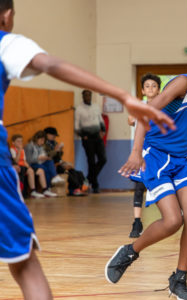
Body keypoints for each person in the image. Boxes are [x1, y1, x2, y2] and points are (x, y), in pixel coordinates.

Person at [0, 1, 174, 299]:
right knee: (24, 262)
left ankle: (92, 185)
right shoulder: (6, 42)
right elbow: (50, 64)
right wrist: (122, 95)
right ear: (6, 15)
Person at [105, 40, 187, 300]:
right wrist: (134, 152)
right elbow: (144, 113)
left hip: (182, 161)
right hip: (158, 158)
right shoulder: (183, 83)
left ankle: (179, 279)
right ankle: (130, 251)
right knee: (173, 220)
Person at [128, 73, 161, 238]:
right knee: (139, 186)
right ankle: (137, 221)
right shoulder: (140, 106)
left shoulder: (163, 105)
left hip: (159, 151)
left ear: (159, 89)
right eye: (147, 86)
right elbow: (129, 120)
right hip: (143, 150)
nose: (150, 88)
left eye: (154, 86)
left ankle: (172, 216)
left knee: (163, 183)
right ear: (142, 90)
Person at [74, 89, 107, 193]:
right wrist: (82, 135)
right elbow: (76, 125)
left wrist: (103, 130)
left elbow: (100, 119)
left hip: (97, 136)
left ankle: (88, 179)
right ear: (83, 97)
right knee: (91, 162)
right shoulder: (79, 109)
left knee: (103, 159)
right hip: (87, 138)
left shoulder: (96, 106)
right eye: (86, 95)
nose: (87, 97)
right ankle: (95, 185)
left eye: (89, 95)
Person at [24, 131, 59, 197]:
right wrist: (39, 158)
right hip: (31, 164)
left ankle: (54, 177)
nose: (42, 142)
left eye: (44, 141)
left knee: (50, 161)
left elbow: (43, 155)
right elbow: (28, 160)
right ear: (37, 138)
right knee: (44, 169)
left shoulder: (40, 146)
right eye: (41, 140)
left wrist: (46, 157)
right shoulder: (29, 146)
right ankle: (46, 188)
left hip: (38, 162)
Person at [10, 134, 45, 198]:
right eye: (18, 141)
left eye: (21, 141)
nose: (20, 143)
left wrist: (29, 167)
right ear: (13, 142)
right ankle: (32, 191)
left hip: (24, 166)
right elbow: (16, 161)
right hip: (18, 166)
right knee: (30, 171)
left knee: (40, 170)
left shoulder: (23, 150)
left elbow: (24, 161)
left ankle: (45, 190)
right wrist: (19, 150)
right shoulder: (12, 150)